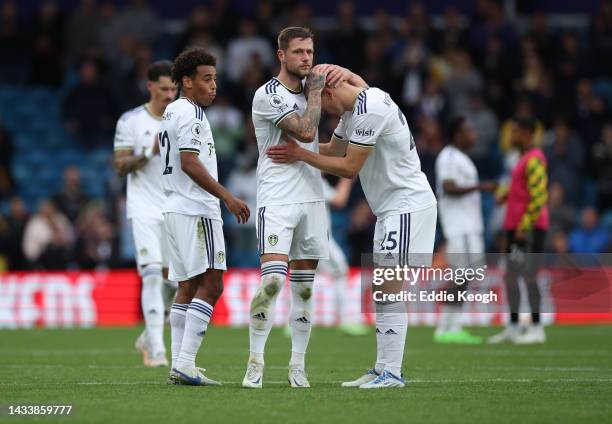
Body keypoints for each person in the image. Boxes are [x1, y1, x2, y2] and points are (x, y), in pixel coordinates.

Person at [267, 65, 437, 389]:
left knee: (388, 288)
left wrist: (300, 154)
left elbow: (347, 167)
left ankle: (393, 373)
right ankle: (382, 367)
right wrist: (292, 148)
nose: (320, 113)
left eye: (319, 103)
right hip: (392, 209)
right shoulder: (357, 107)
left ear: (329, 92)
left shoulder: (369, 107)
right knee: (382, 288)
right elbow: (334, 149)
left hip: (406, 205)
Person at [242, 26, 366, 389]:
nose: (307, 59)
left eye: (310, 52)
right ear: (281, 55)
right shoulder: (268, 95)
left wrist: (347, 76)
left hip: (312, 199)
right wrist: (315, 90)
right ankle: (256, 361)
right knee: (272, 282)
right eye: (298, 52)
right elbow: (306, 130)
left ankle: (297, 366)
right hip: (277, 198)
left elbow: (358, 109)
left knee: (305, 289)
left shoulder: (316, 90)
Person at [162, 47, 250, 386]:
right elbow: (189, 161)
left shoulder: (172, 111)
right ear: (187, 81)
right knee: (212, 284)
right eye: (206, 79)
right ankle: (185, 362)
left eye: (215, 79)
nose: (214, 86)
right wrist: (226, 196)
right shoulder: (192, 115)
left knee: (187, 286)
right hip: (197, 209)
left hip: (174, 207)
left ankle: (179, 365)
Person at [113, 60, 177, 367]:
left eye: (173, 89)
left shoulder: (183, 118)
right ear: (149, 85)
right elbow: (121, 165)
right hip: (143, 208)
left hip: (176, 207)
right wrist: (150, 151)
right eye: (163, 88)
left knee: (177, 285)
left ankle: (148, 335)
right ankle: (157, 350)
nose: (169, 94)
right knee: (151, 275)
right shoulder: (131, 121)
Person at [434, 116, 497, 344]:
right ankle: (448, 328)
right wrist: (483, 186)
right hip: (460, 227)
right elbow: (448, 187)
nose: (473, 134)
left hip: (469, 226)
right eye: (468, 130)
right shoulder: (449, 157)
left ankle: (451, 326)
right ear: (457, 134)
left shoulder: (461, 158)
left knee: (465, 275)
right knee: (461, 275)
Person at [488, 116, 549, 344]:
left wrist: (524, 226)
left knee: (530, 276)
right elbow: (522, 190)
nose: (511, 137)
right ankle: (513, 327)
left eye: (515, 132)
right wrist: (506, 195)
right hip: (515, 227)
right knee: (511, 276)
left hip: (529, 228)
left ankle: (536, 328)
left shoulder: (534, 159)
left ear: (527, 134)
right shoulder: (523, 159)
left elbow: (539, 196)